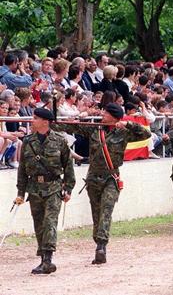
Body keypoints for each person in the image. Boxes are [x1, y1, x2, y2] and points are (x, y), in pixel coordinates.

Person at [52, 103, 151, 264]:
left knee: (106, 210)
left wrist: (128, 123)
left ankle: (101, 246)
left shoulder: (124, 132)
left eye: (106, 113)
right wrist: (54, 121)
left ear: (114, 116)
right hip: (93, 178)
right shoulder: (95, 129)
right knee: (96, 213)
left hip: (111, 178)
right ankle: (98, 241)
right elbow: (72, 128)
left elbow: (146, 134)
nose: (102, 115)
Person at [14, 108, 75, 274]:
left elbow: (68, 166)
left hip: (53, 187)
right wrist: (20, 192)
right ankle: (43, 258)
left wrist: (68, 187)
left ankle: (47, 259)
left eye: (35, 118)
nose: (32, 121)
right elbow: (22, 170)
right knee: (39, 224)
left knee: (49, 223)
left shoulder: (60, 140)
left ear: (45, 122)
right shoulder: (28, 141)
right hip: (34, 189)